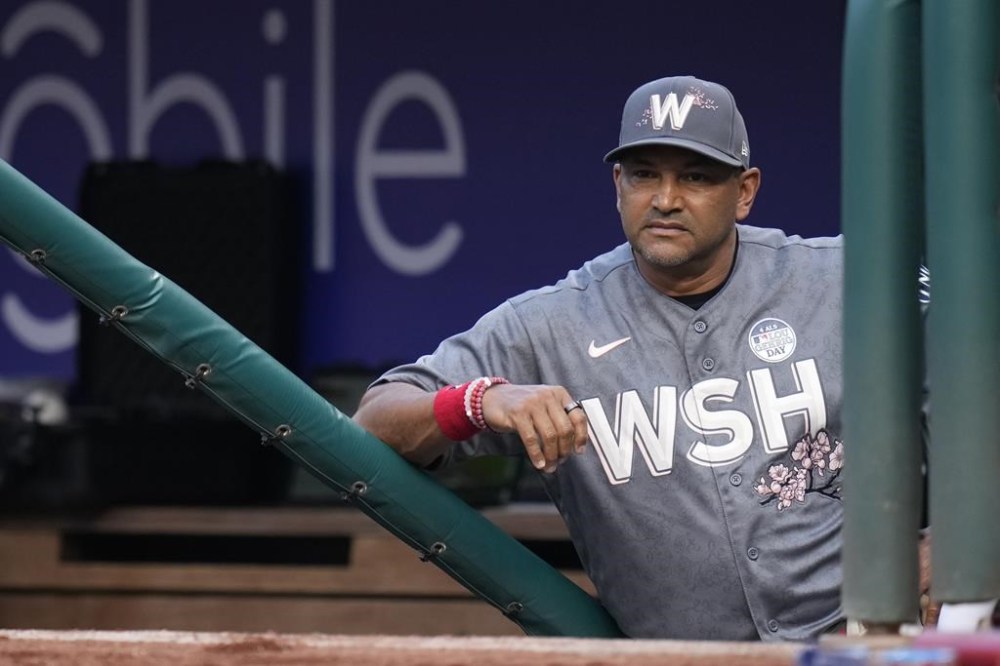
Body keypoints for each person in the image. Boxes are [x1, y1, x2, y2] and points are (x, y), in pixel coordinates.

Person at [353, 75, 846, 641]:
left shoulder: (839, 278)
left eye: (696, 176)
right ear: (618, 184)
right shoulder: (552, 323)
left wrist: (945, 545)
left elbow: (968, 360)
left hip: (863, 646)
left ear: (745, 191)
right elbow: (375, 420)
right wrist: (482, 400)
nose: (665, 199)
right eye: (644, 175)